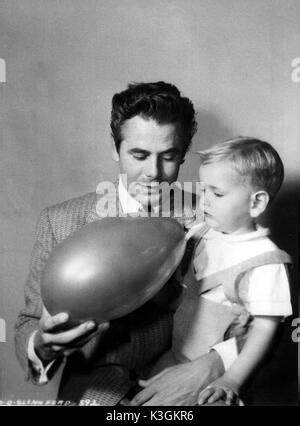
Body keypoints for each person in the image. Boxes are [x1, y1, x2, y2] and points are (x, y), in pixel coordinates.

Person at [15, 81, 230, 406]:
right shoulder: (59, 220)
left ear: (184, 154)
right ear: (115, 149)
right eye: (139, 155)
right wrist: (42, 345)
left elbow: (256, 311)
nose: (153, 173)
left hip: (187, 396)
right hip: (92, 395)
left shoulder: (213, 214)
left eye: (168, 156)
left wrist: (214, 364)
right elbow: (30, 322)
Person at [132, 137, 292, 406]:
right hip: (175, 354)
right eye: (203, 189)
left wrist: (232, 380)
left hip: (216, 379)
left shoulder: (265, 262)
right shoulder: (203, 232)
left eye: (216, 193)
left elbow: (265, 330)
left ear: (256, 203)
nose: (204, 201)